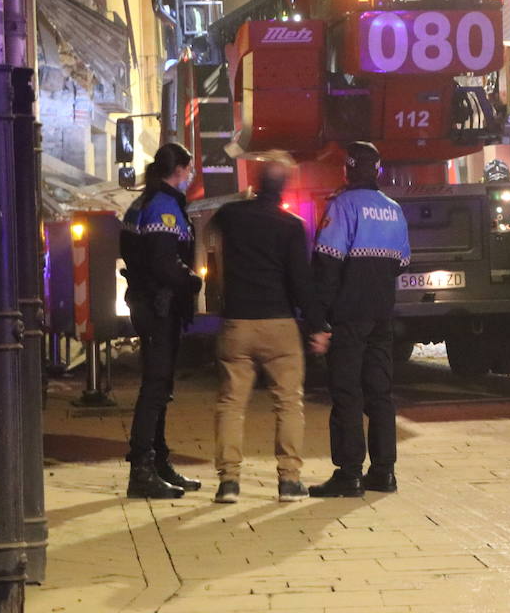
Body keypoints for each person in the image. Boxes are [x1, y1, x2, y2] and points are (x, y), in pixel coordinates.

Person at [208, 153, 331, 505]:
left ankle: (228, 482)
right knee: (289, 403)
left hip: (238, 323)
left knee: (231, 403)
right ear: (286, 186)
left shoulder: (231, 215)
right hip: (279, 324)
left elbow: (211, 231)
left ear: (257, 181)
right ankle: (289, 481)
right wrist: (317, 325)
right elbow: (300, 282)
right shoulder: (291, 226)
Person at [308, 142, 412, 497]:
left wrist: (318, 318)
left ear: (347, 170)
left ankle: (349, 473)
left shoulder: (343, 206)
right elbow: (401, 262)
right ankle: (384, 472)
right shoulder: (394, 210)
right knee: (380, 393)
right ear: (378, 170)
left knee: (347, 392)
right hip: (382, 315)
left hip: (348, 315)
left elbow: (327, 264)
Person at [120, 143, 203, 499]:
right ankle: (142, 469)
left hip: (148, 304)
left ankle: (158, 462)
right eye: (189, 169)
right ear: (180, 170)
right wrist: (193, 281)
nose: (191, 176)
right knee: (155, 388)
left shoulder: (144, 202)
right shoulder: (164, 206)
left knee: (160, 387)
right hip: (158, 306)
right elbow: (163, 263)